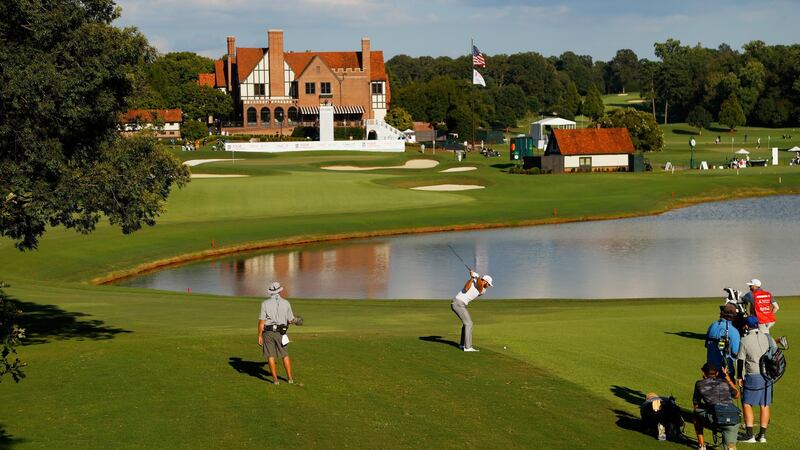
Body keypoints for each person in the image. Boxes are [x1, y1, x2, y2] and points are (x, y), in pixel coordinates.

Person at [736, 316, 772, 443]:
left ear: (747, 326)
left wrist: (739, 377)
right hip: (768, 375)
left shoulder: (744, 340)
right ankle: (762, 436)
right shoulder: (766, 337)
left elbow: (740, 361)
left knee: (746, 403)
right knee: (765, 404)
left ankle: (750, 435)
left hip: (753, 375)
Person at [257, 281, 298, 384]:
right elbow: (291, 320)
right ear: (280, 291)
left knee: (270, 356)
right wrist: (296, 321)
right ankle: (290, 379)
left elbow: (261, 322)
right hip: (281, 333)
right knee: (285, 355)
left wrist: (259, 336)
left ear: (271, 292)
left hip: (268, 333)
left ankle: (275, 380)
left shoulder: (264, 304)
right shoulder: (286, 303)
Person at [693, 363, 741, 450]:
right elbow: (737, 395)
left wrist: (708, 406)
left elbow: (696, 405)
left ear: (703, 373)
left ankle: (701, 446)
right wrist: (728, 378)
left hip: (715, 417)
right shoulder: (725, 382)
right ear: (717, 373)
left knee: (696, 415)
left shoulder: (699, 384)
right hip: (733, 419)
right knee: (730, 447)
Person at [451, 269, 493, 352]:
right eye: (488, 284)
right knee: (469, 323)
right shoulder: (474, 280)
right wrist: (472, 278)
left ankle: (462, 345)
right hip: (457, 303)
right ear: (485, 281)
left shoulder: (483, 290)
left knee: (466, 324)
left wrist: (476, 277)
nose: (489, 286)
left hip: (461, 304)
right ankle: (468, 347)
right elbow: (466, 288)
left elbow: (479, 287)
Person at [706, 303, 741, 375]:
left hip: (710, 370)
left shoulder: (712, 325)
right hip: (725, 372)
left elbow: (707, 345)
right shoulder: (734, 331)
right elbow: (736, 353)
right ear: (734, 316)